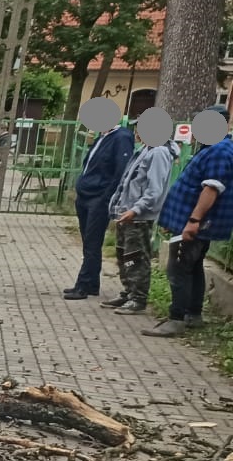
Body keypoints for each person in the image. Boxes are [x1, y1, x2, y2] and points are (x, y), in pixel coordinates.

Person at [143, 123, 233, 337]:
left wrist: (194, 220)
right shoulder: (212, 148)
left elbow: (212, 188)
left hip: (197, 222)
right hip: (191, 220)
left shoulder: (219, 151)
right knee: (193, 266)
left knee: (179, 267)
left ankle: (177, 319)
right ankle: (193, 314)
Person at [102, 111, 176, 315]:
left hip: (139, 217)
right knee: (124, 255)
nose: (137, 131)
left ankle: (138, 298)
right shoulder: (145, 149)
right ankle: (128, 292)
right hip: (126, 213)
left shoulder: (159, 152)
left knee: (136, 257)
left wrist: (135, 210)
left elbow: (154, 190)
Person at [66, 117, 135, 300]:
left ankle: (82, 285)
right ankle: (92, 284)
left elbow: (121, 170)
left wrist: (107, 196)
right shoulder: (102, 137)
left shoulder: (121, 137)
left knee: (92, 242)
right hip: (85, 195)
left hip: (98, 198)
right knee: (89, 242)